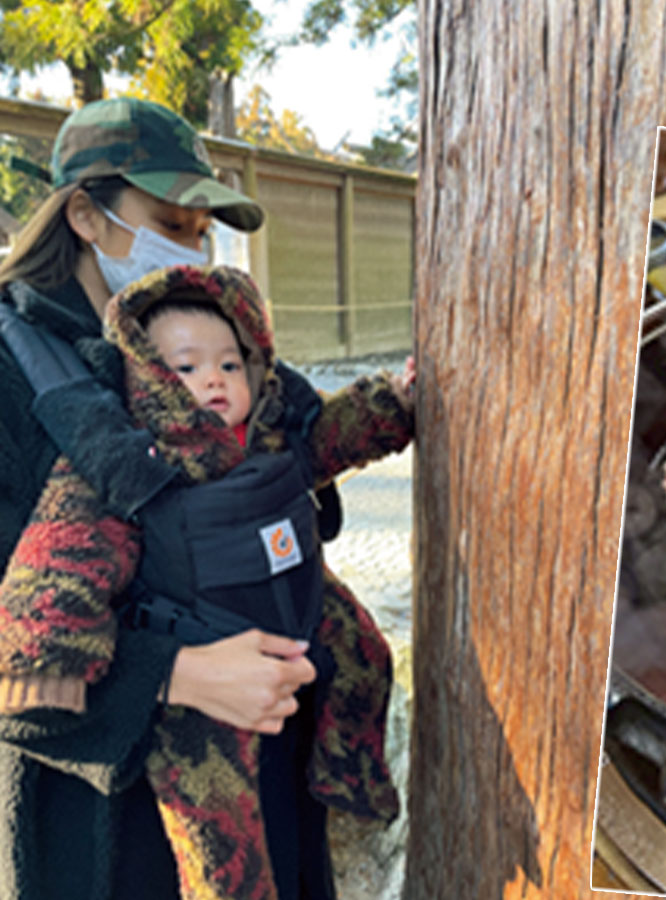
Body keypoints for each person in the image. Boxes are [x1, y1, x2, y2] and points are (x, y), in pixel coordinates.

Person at [0, 97, 411, 900]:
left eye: (200, 230)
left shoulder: (212, 328)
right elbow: (22, 641)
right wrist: (174, 674)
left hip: (275, 758)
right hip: (107, 818)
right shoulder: (17, 370)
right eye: (171, 223)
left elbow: (308, 460)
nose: (191, 246)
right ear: (84, 215)